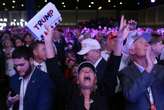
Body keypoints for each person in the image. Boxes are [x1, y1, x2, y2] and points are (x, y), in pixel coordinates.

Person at [43, 22, 124, 110]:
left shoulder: (103, 92)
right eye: (82, 70)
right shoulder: (70, 92)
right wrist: (48, 42)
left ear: (95, 79)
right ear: (77, 79)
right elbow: (55, 73)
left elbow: (112, 69)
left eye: (90, 71)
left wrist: (119, 41)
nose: (87, 71)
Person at [118, 33, 164, 110]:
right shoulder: (125, 73)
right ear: (132, 51)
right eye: (141, 42)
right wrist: (148, 68)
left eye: (147, 42)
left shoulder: (161, 69)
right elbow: (131, 96)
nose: (146, 44)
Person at [7, 46, 55, 110]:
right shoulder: (14, 79)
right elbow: (9, 105)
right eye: (16, 65)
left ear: (31, 61)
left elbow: (44, 107)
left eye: (21, 65)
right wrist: (10, 102)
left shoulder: (44, 79)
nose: (18, 69)